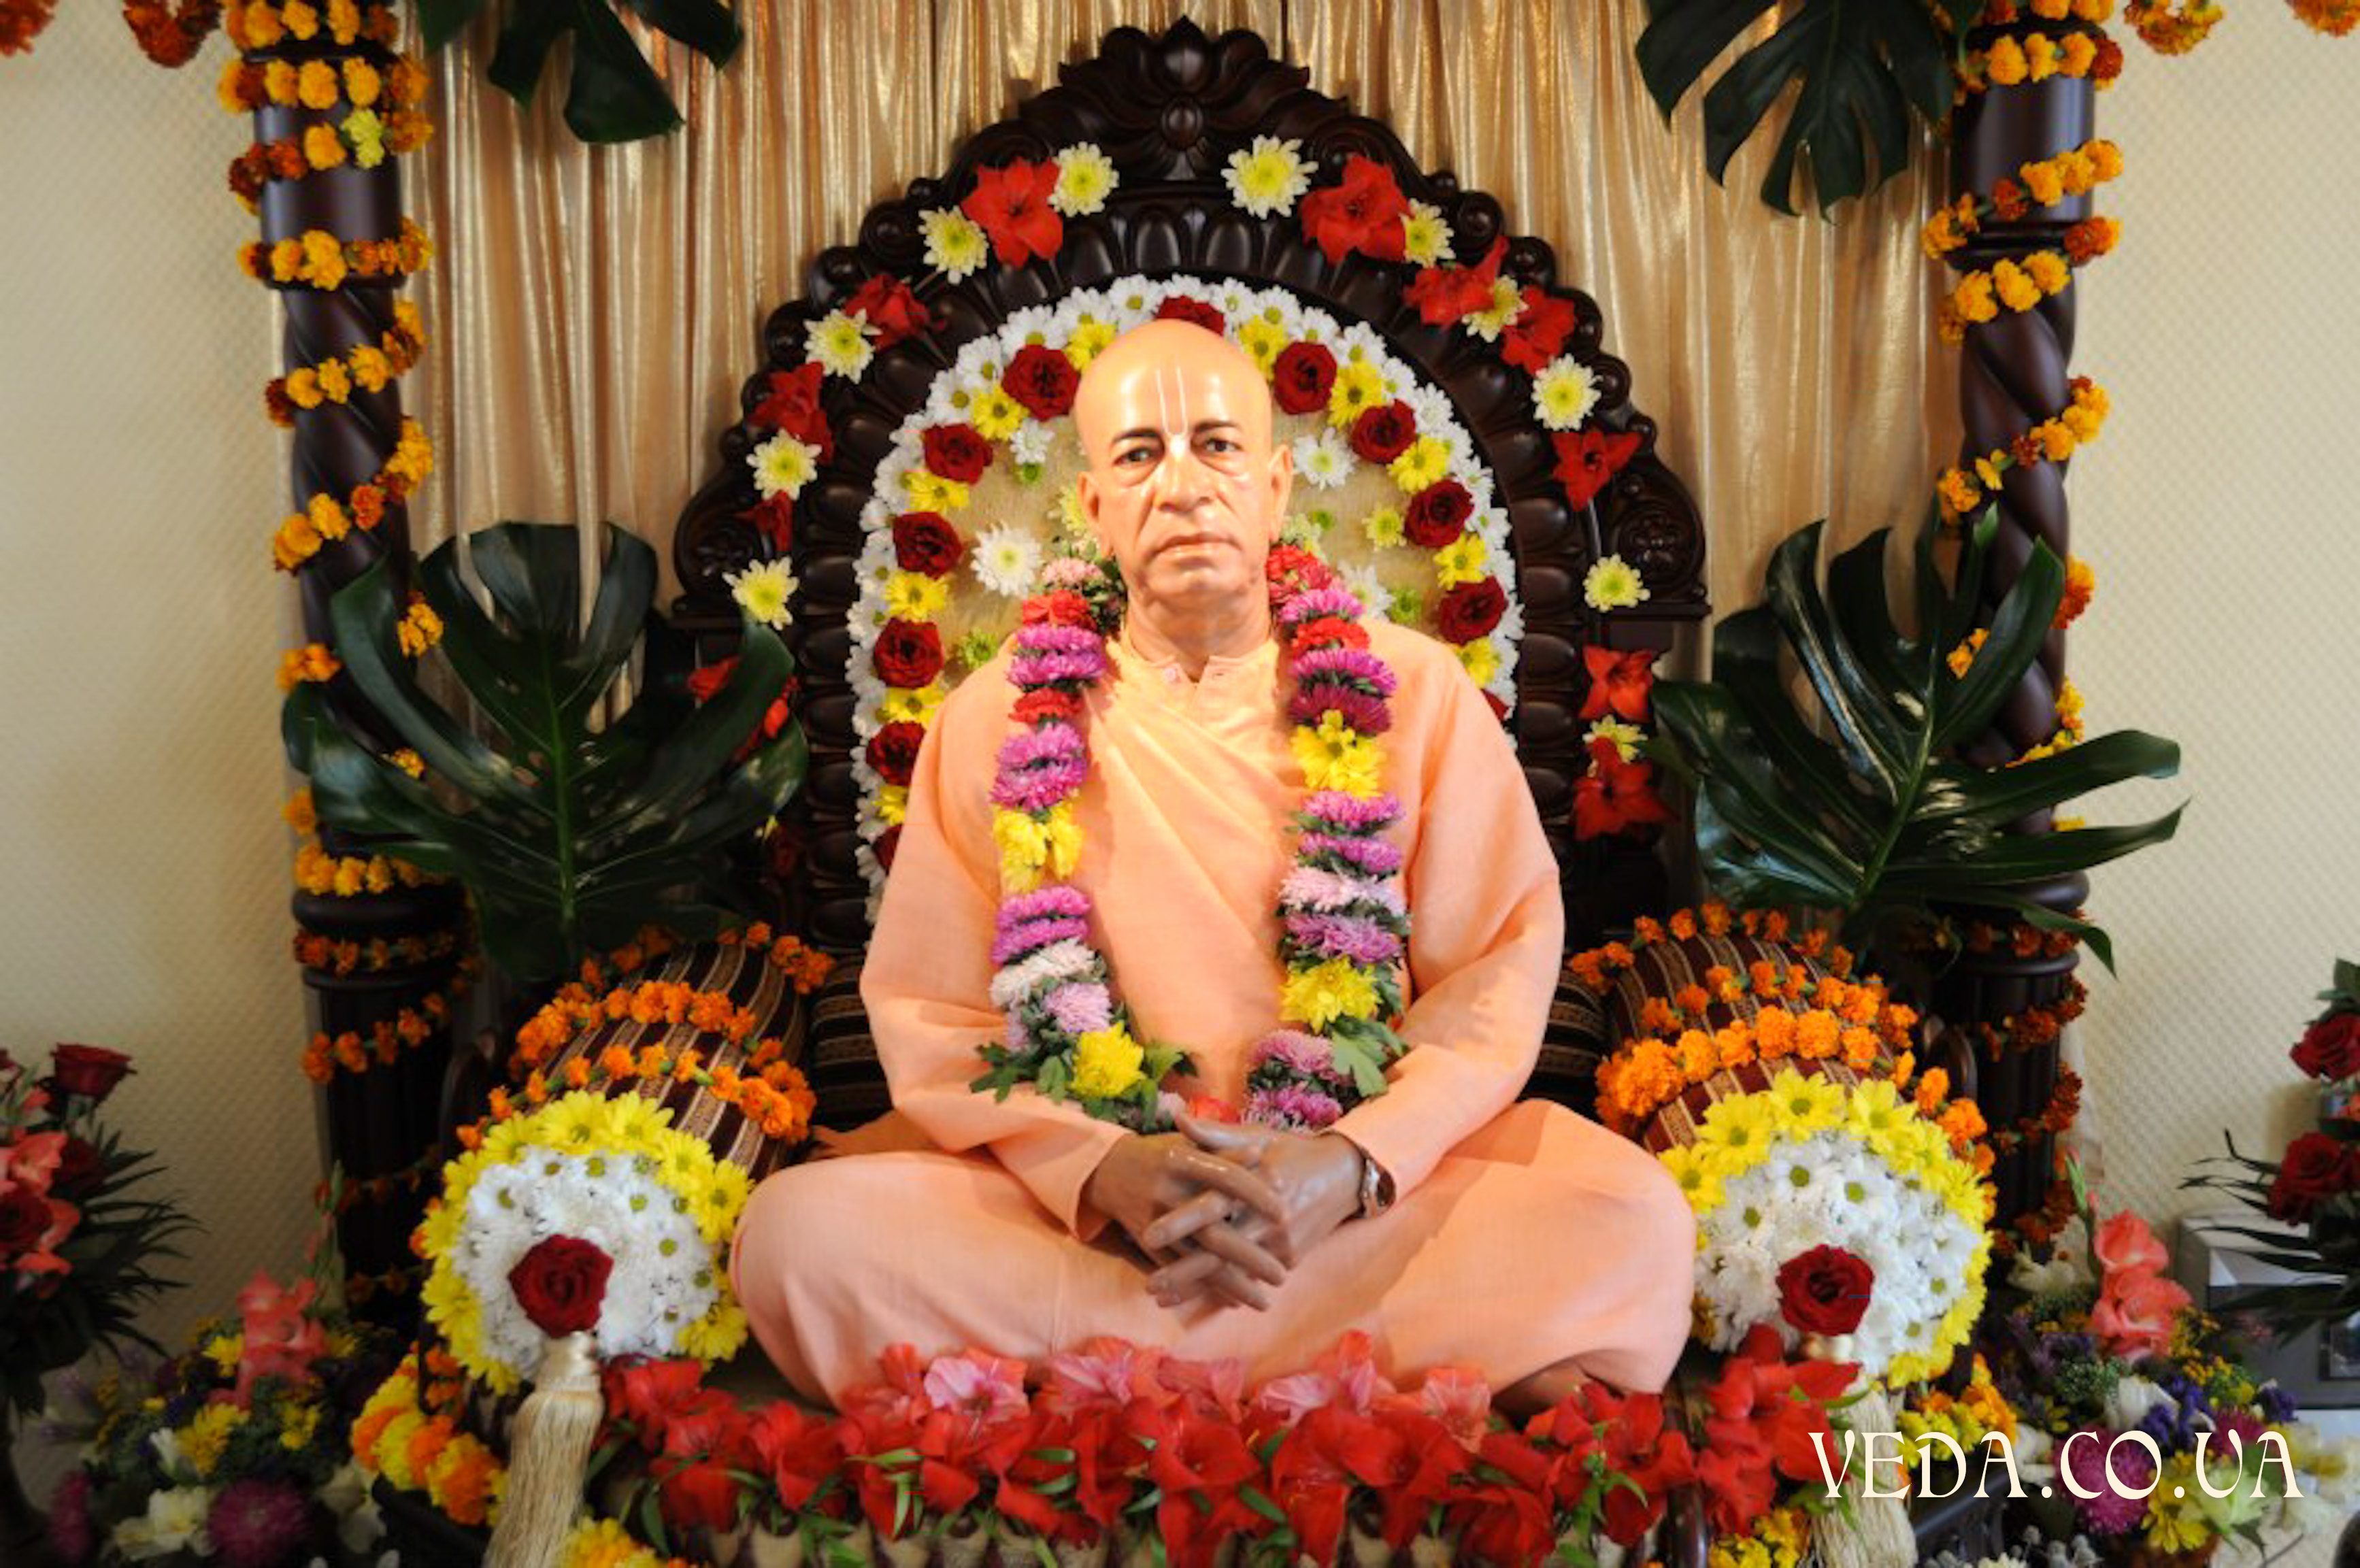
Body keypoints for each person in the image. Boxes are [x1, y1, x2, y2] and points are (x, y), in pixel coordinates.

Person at [730, 318, 1693, 1410]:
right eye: (1139, 453)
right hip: (1088, 1224)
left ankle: (1109, 1371)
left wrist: (1349, 1161)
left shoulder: (1413, 692)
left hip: (1348, 1213)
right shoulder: (994, 716)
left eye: (1218, 445)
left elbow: (1491, 983)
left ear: (1276, 486)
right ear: (1093, 504)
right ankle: (1353, 1367)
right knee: (800, 1238)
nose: (1182, 486)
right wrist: (1100, 1169)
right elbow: (933, 1017)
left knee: (1632, 1223)